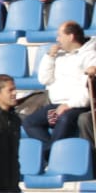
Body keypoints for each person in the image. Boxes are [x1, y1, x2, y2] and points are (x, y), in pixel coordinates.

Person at [29, 22, 94, 165]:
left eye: (60, 35)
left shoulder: (90, 56)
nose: (57, 39)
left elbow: (88, 90)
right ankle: (51, 152)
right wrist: (49, 57)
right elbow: (44, 79)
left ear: (70, 37)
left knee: (63, 119)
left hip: (77, 105)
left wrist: (68, 105)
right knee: (30, 122)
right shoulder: (59, 55)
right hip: (56, 104)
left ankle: (48, 156)